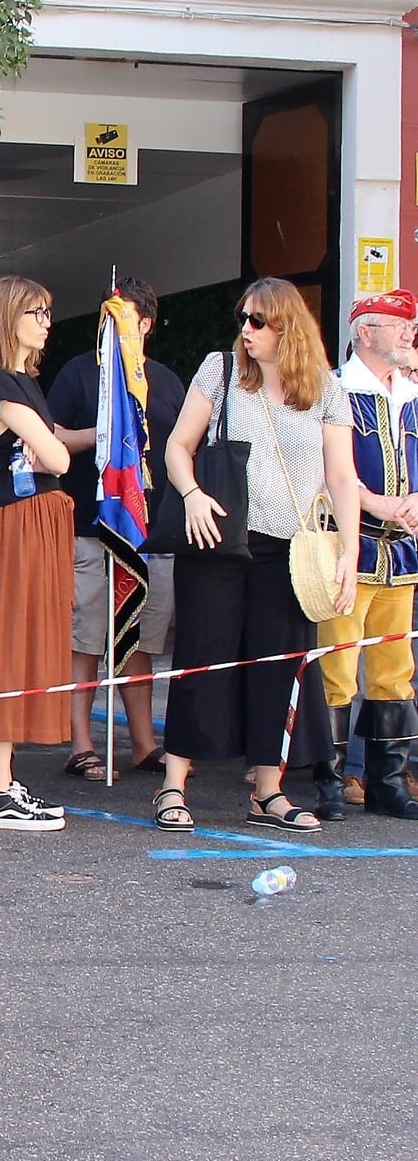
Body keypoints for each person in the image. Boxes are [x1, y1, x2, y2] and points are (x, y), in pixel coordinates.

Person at [157, 278, 358, 834]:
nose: (245, 330)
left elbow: (342, 475)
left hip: (290, 548)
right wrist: (193, 495)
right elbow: (178, 444)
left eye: (258, 321)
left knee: (281, 665)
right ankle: (174, 784)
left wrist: (349, 547)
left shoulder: (324, 387)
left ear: (287, 327)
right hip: (219, 534)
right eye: (242, 318)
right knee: (202, 657)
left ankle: (267, 791)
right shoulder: (220, 370)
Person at [45, 280, 184, 781]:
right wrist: (105, 436)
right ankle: (81, 742)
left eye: (121, 316)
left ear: (144, 324)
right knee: (86, 639)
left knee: (142, 642)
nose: (111, 325)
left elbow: (182, 447)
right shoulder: (80, 373)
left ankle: (144, 743)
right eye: (106, 316)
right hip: (91, 525)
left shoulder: (166, 382)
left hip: (150, 534)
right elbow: (53, 434)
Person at [0, 277, 76, 832]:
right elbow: (55, 457)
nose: (46, 321)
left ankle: (3, 783)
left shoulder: (20, 382)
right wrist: (43, 447)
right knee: (5, 645)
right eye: (36, 312)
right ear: (8, 317)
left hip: (32, 522)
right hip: (15, 525)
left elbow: (53, 450)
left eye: (48, 312)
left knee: (24, 644)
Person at [318, 290, 418, 820]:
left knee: (394, 671)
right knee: (337, 668)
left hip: (401, 554)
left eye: (409, 325)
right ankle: (329, 782)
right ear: (364, 332)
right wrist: (375, 502)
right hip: (347, 550)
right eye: (397, 324)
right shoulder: (334, 389)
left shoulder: (413, 392)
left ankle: (387, 783)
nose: (407, 333)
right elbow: (325, 469)